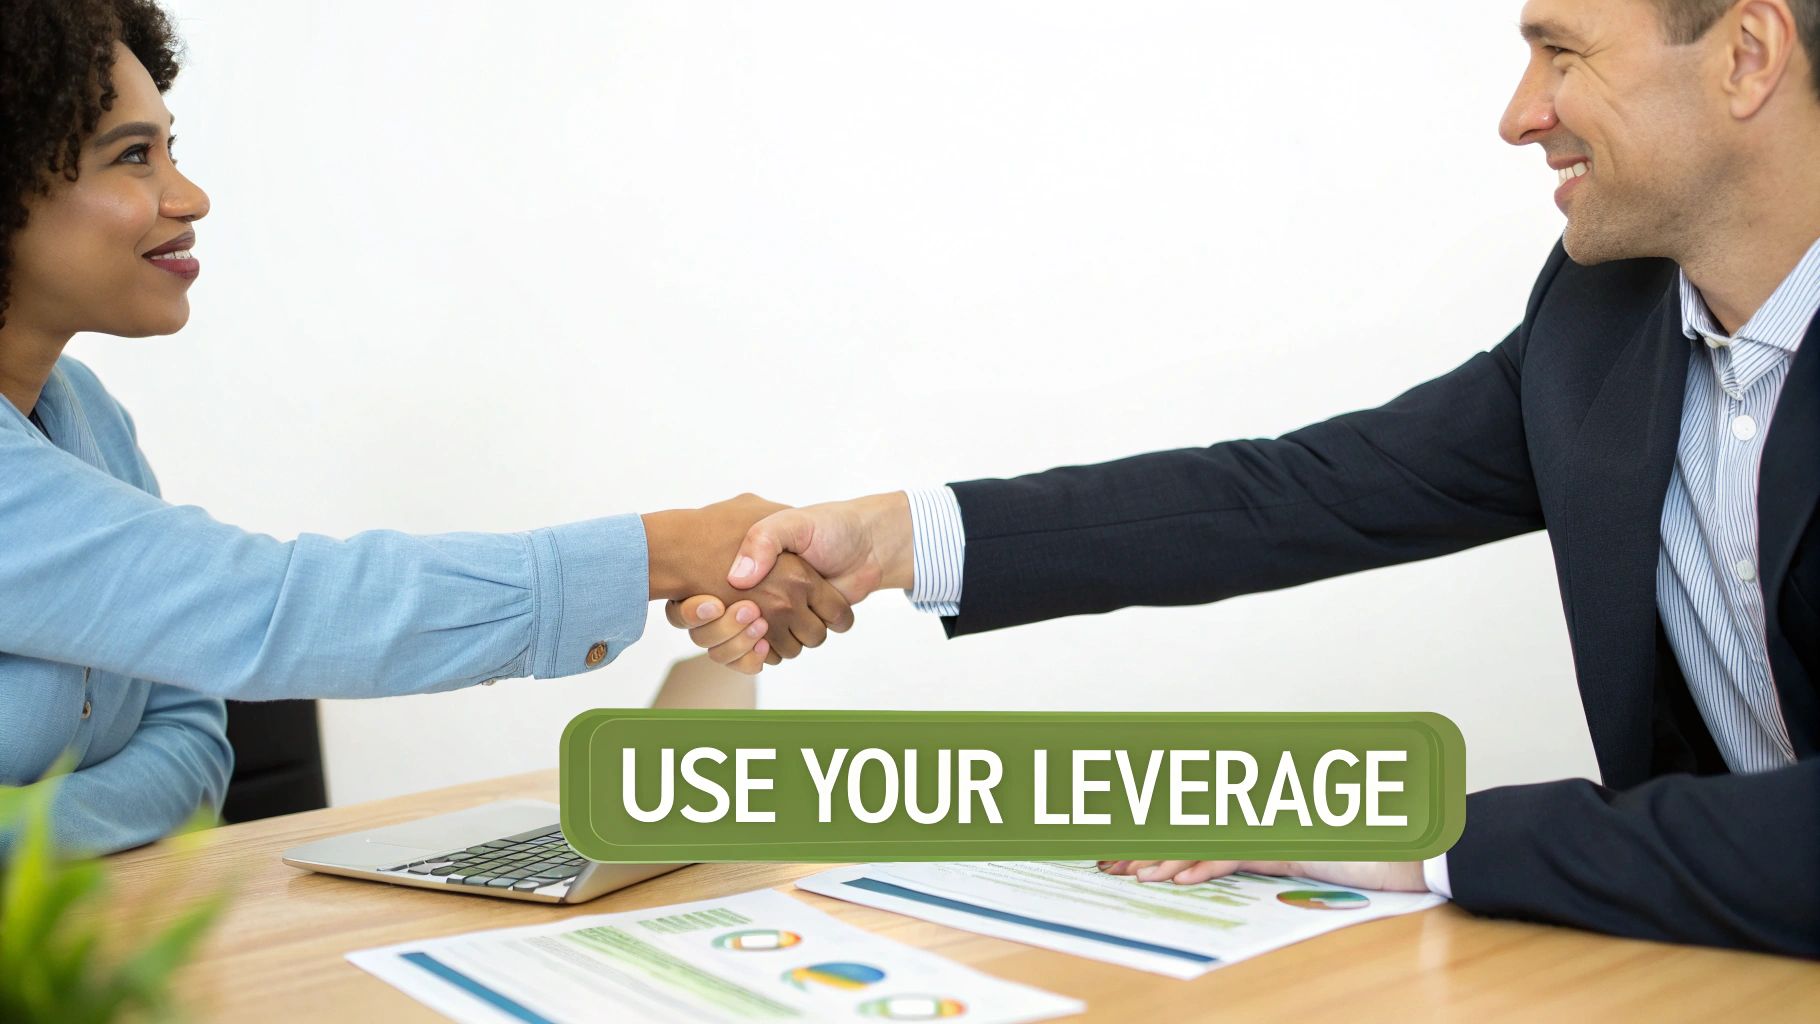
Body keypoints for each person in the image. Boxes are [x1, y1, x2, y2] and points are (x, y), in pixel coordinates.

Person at [687, 0, 1820, 956]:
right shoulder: (1602, 317)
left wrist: (1409, 831)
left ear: (1745, 57)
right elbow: (1294, 492)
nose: (1518, 113)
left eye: (1561, 53)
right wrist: (892, 539)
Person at [0, 0, 851, 856]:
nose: (189, 196)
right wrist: (667, 553)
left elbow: (191, 731)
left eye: (170, 150)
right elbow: (272, 610)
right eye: (134, 157)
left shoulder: (88, 420)